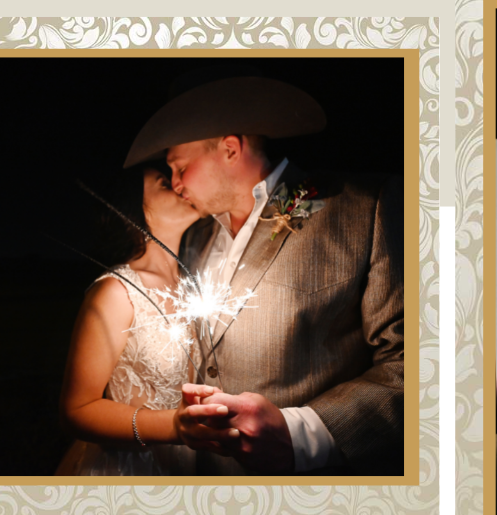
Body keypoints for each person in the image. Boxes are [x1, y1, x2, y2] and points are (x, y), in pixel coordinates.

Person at [123, 75, 403, 476]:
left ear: (230, 149)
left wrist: (301, 434)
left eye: (181, 167)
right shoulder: (194, 237)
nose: (177, 183)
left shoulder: (363, 208)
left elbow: (418, 364)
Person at [54, 160, 211, 475]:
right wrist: (175, 428)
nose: (180, 185)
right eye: (164, 184)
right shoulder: (116, 293)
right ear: (133, 210)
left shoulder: (194, 285)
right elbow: (75, 411)